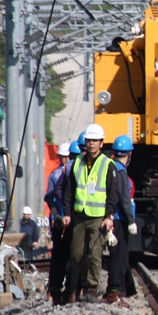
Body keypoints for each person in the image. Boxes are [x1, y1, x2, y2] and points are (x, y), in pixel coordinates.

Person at [62, 124, 120, 303]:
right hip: (80, 216)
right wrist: (67, 213)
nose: (91, 143)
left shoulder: (108, 165)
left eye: (95, 140)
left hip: (98, 217)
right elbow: (69, 190)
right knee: (76, 253)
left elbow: (113, 194)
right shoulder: (77, 162)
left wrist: (109, 217)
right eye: (89, 140)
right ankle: (89, 280)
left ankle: (92, 287)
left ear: (101, 143)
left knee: (95, 253)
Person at [102, 135, 138, 307]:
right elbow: (124, 198)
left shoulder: (109, 167)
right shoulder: (121, 171)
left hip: (109, 219)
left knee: (115, 256)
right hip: (119, 220)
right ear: (129, 154)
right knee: (119, 257)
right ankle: (114, 293)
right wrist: (131, 220)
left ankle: (115, 289)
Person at [47, 140, 81, 304]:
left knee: (59, 256)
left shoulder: (55, 174)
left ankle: (55, 290)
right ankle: (72, 290)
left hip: (59, 221)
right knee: (73, 256)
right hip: (71, 221)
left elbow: (50, 197)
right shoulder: (76, 171)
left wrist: (56, 215)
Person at [44, 142, 72, 303]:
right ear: (60, 157)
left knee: (69, 255)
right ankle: (55, 288)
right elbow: (49, 198)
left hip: (68, 219)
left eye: (69, 156)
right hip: (58, 222)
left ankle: (68, 287)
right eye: (64, 157)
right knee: (59, 255)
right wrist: (56, 216)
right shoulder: (55, 176)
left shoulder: (72, 173)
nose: (66, 159)